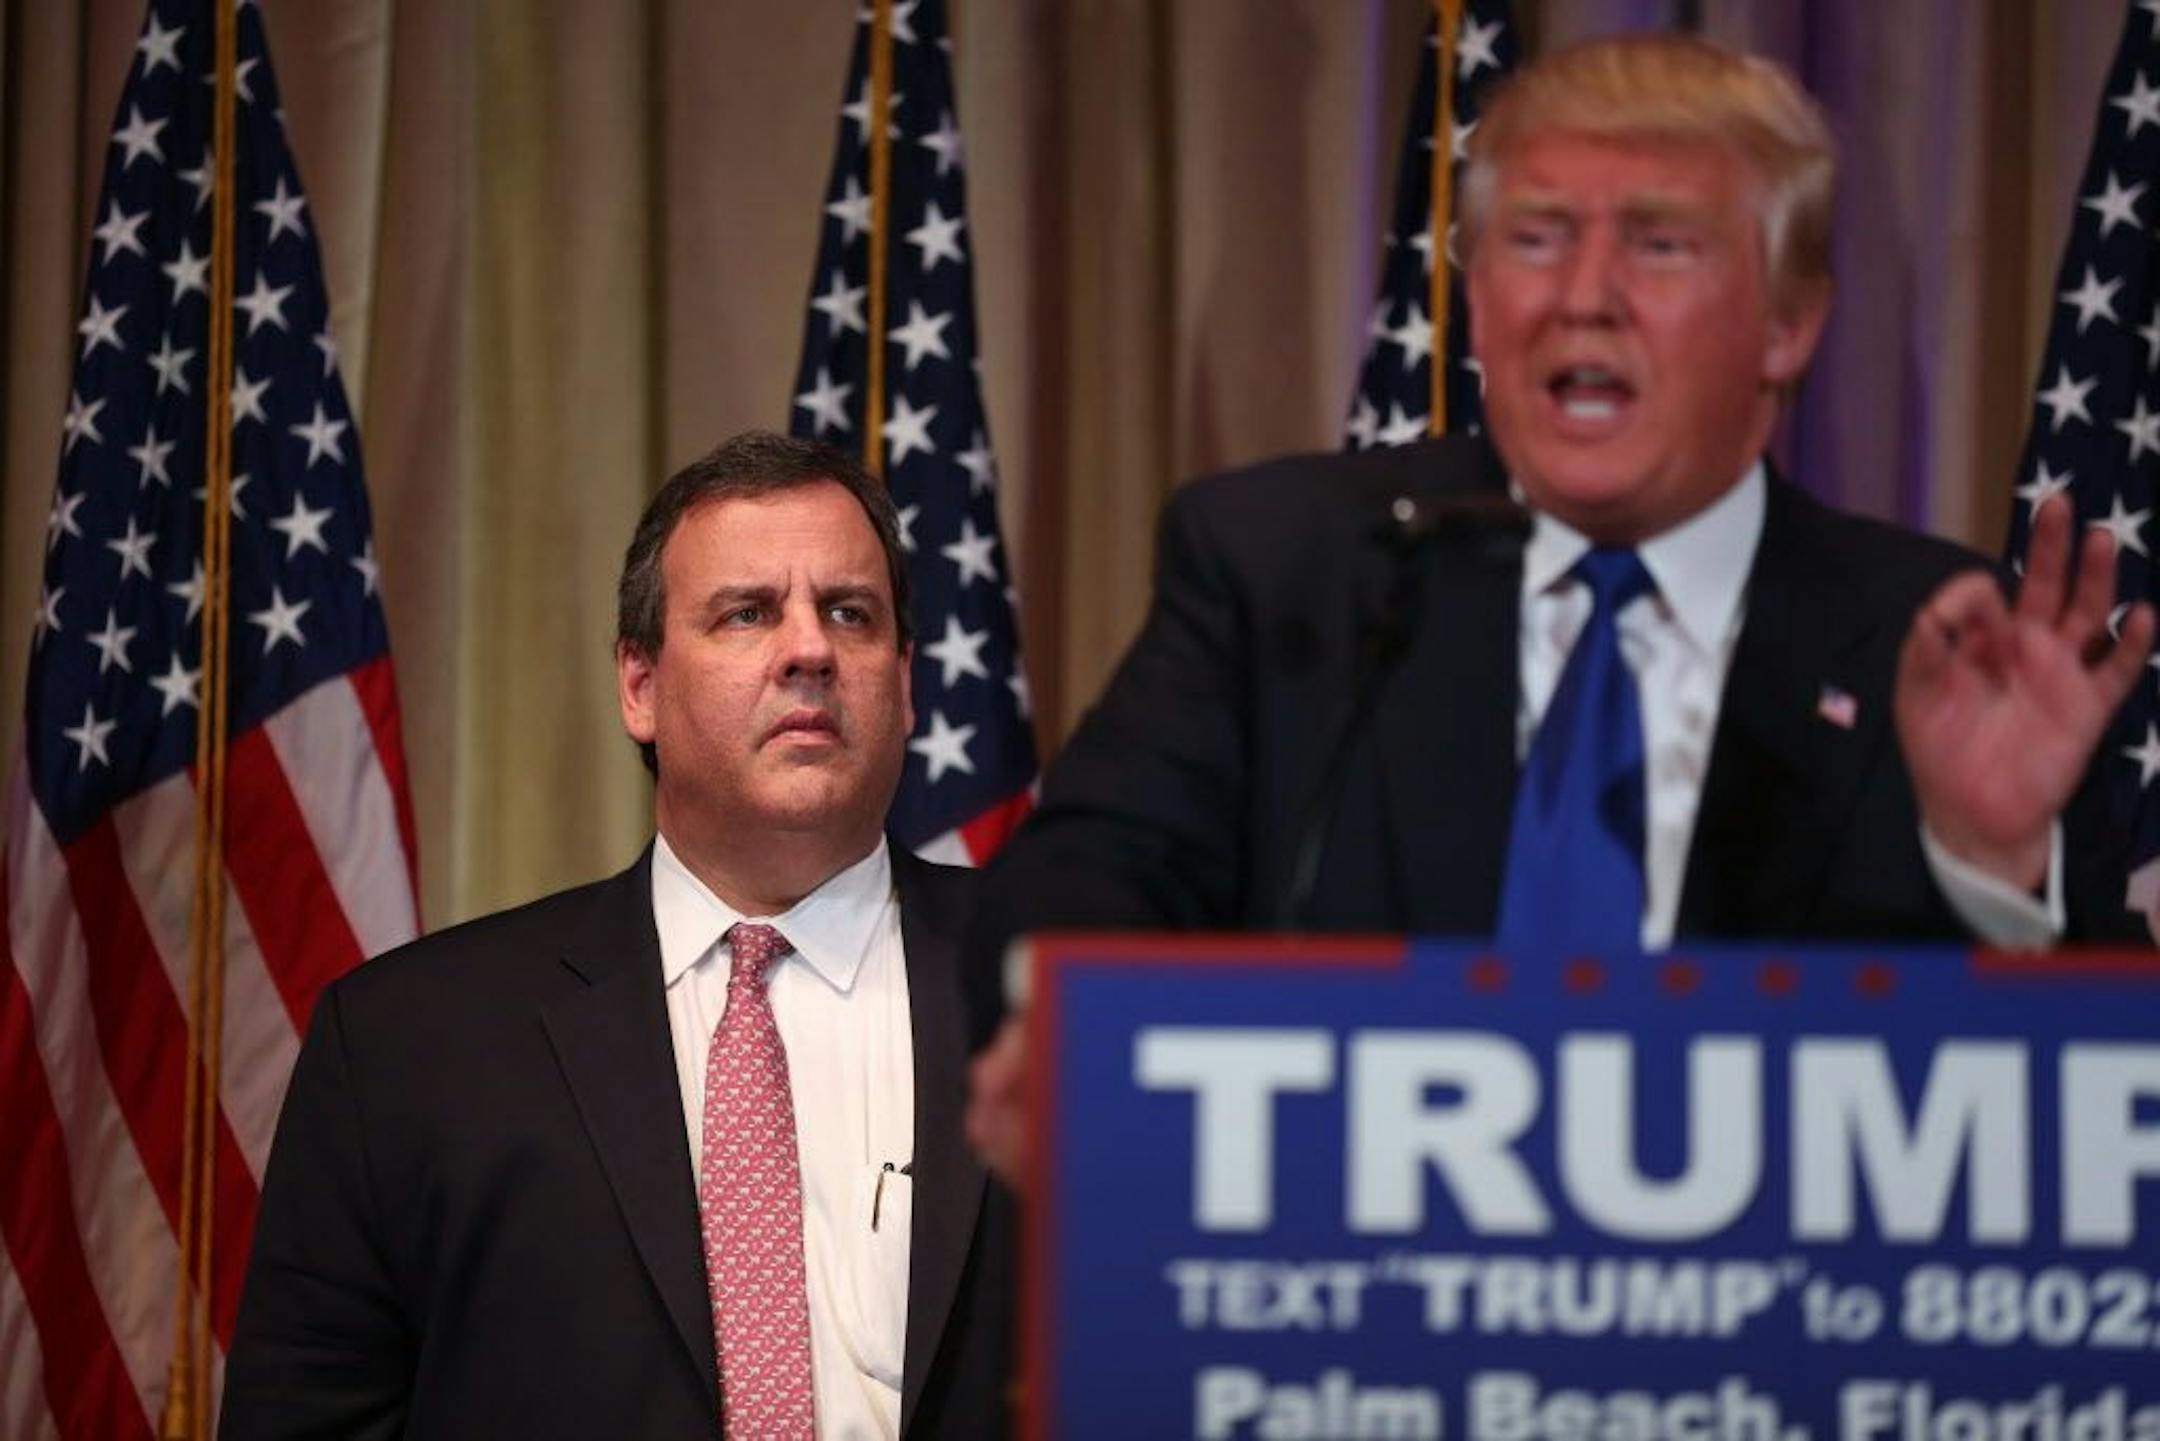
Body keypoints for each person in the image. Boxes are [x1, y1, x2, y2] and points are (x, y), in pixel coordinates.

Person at [962, 35, 2155, 1178]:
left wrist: (1998, 865)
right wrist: (1058, 1021)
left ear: (1788, 324)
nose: (1586, 296)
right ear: (1478, 298)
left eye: (1660, 245)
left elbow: (2102, 1115)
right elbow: (1079, 881)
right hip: (1346, 1282)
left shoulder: (1936, 644)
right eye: (1536, 240)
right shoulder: (1297, 570)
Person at [223, 432, 1011, 1439]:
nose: (809, 649)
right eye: (748, 613)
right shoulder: (402, 1045)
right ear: (639, 686)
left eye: (850, 613)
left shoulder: (1070, 996)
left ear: (903, 686)